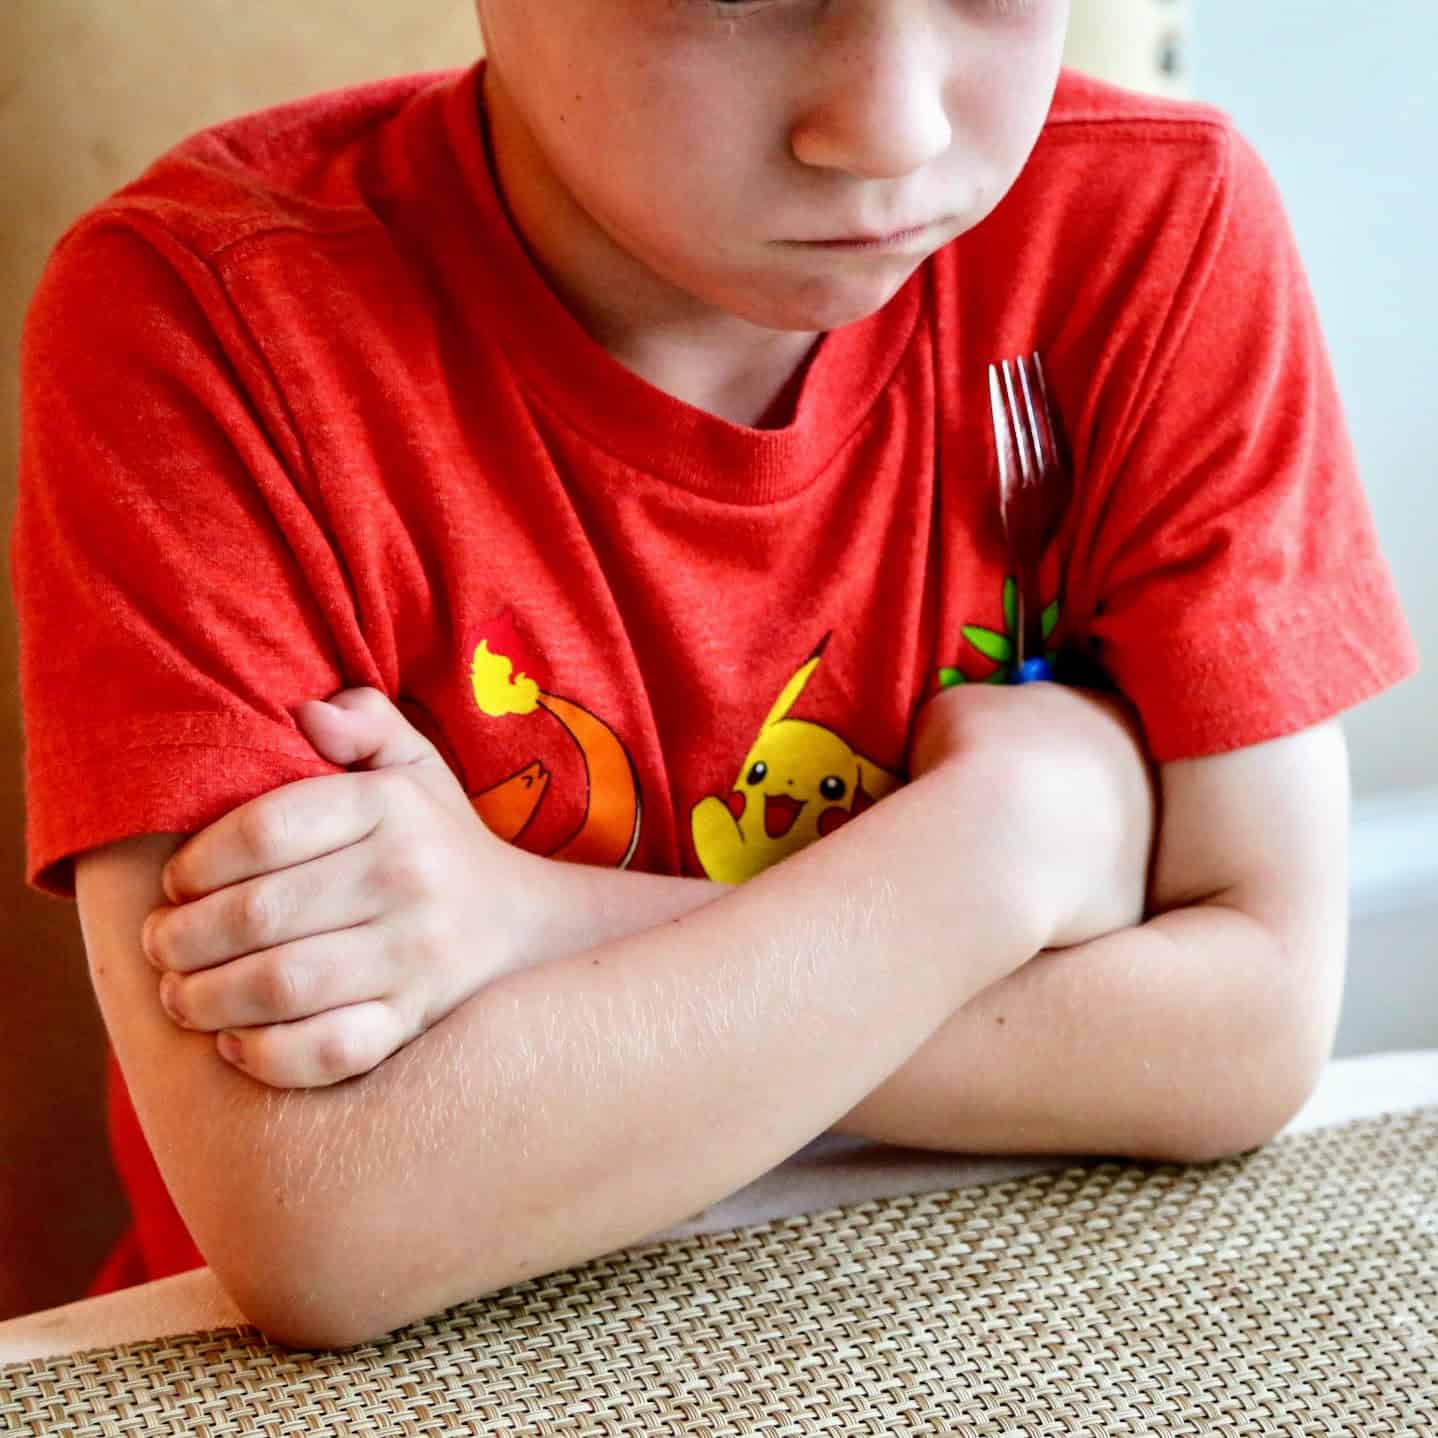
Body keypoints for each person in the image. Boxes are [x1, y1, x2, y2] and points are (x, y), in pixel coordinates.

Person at [10, 0, 1419, 1349]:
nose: (888, 125)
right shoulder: (206, 321)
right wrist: (1005, 849)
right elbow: (321, 1221)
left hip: (963, 1303)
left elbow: (1251, 1025)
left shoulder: (1152, 231)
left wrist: (535, 921)